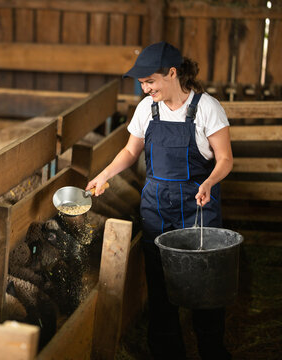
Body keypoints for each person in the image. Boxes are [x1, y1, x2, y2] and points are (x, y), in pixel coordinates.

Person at [86, 41, 233, 360]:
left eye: (149, 81)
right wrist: (105, 174)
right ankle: (167, 352)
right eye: (141, 82)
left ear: (172, 73)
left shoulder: (207, 108)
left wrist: (209, 180)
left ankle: (210, 350)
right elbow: (130, 151)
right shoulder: (146, 109)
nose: (144, 88)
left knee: (203, 285)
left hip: (197, 208)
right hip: (156, 207)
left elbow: (225, 160)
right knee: (160, 284)